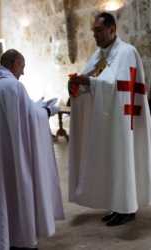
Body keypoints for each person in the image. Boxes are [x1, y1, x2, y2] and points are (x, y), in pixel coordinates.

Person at [0, 49, 64, 250]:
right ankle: (21, 240)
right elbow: (30, 119)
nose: (22, 73)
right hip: (12, 156)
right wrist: (48, 111)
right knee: (16, 195)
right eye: (22, 67)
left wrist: (36, 106)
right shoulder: (13, 86)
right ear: (15, 63)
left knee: (0, 196)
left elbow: (21, 112)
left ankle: (2, 236)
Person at [68, 12, 151, 226]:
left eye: (98, 30)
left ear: (112, 29)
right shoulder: (99, 55)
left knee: (122, 160)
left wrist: (89, 82)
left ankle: (127, 208)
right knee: (111, 162)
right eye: (93, 31)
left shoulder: (126, 52)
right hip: (107, 119)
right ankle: (116, 206)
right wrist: (78, 86)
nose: (95, 35)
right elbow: (96, 81)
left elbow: (116, 85)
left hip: (124, 121)